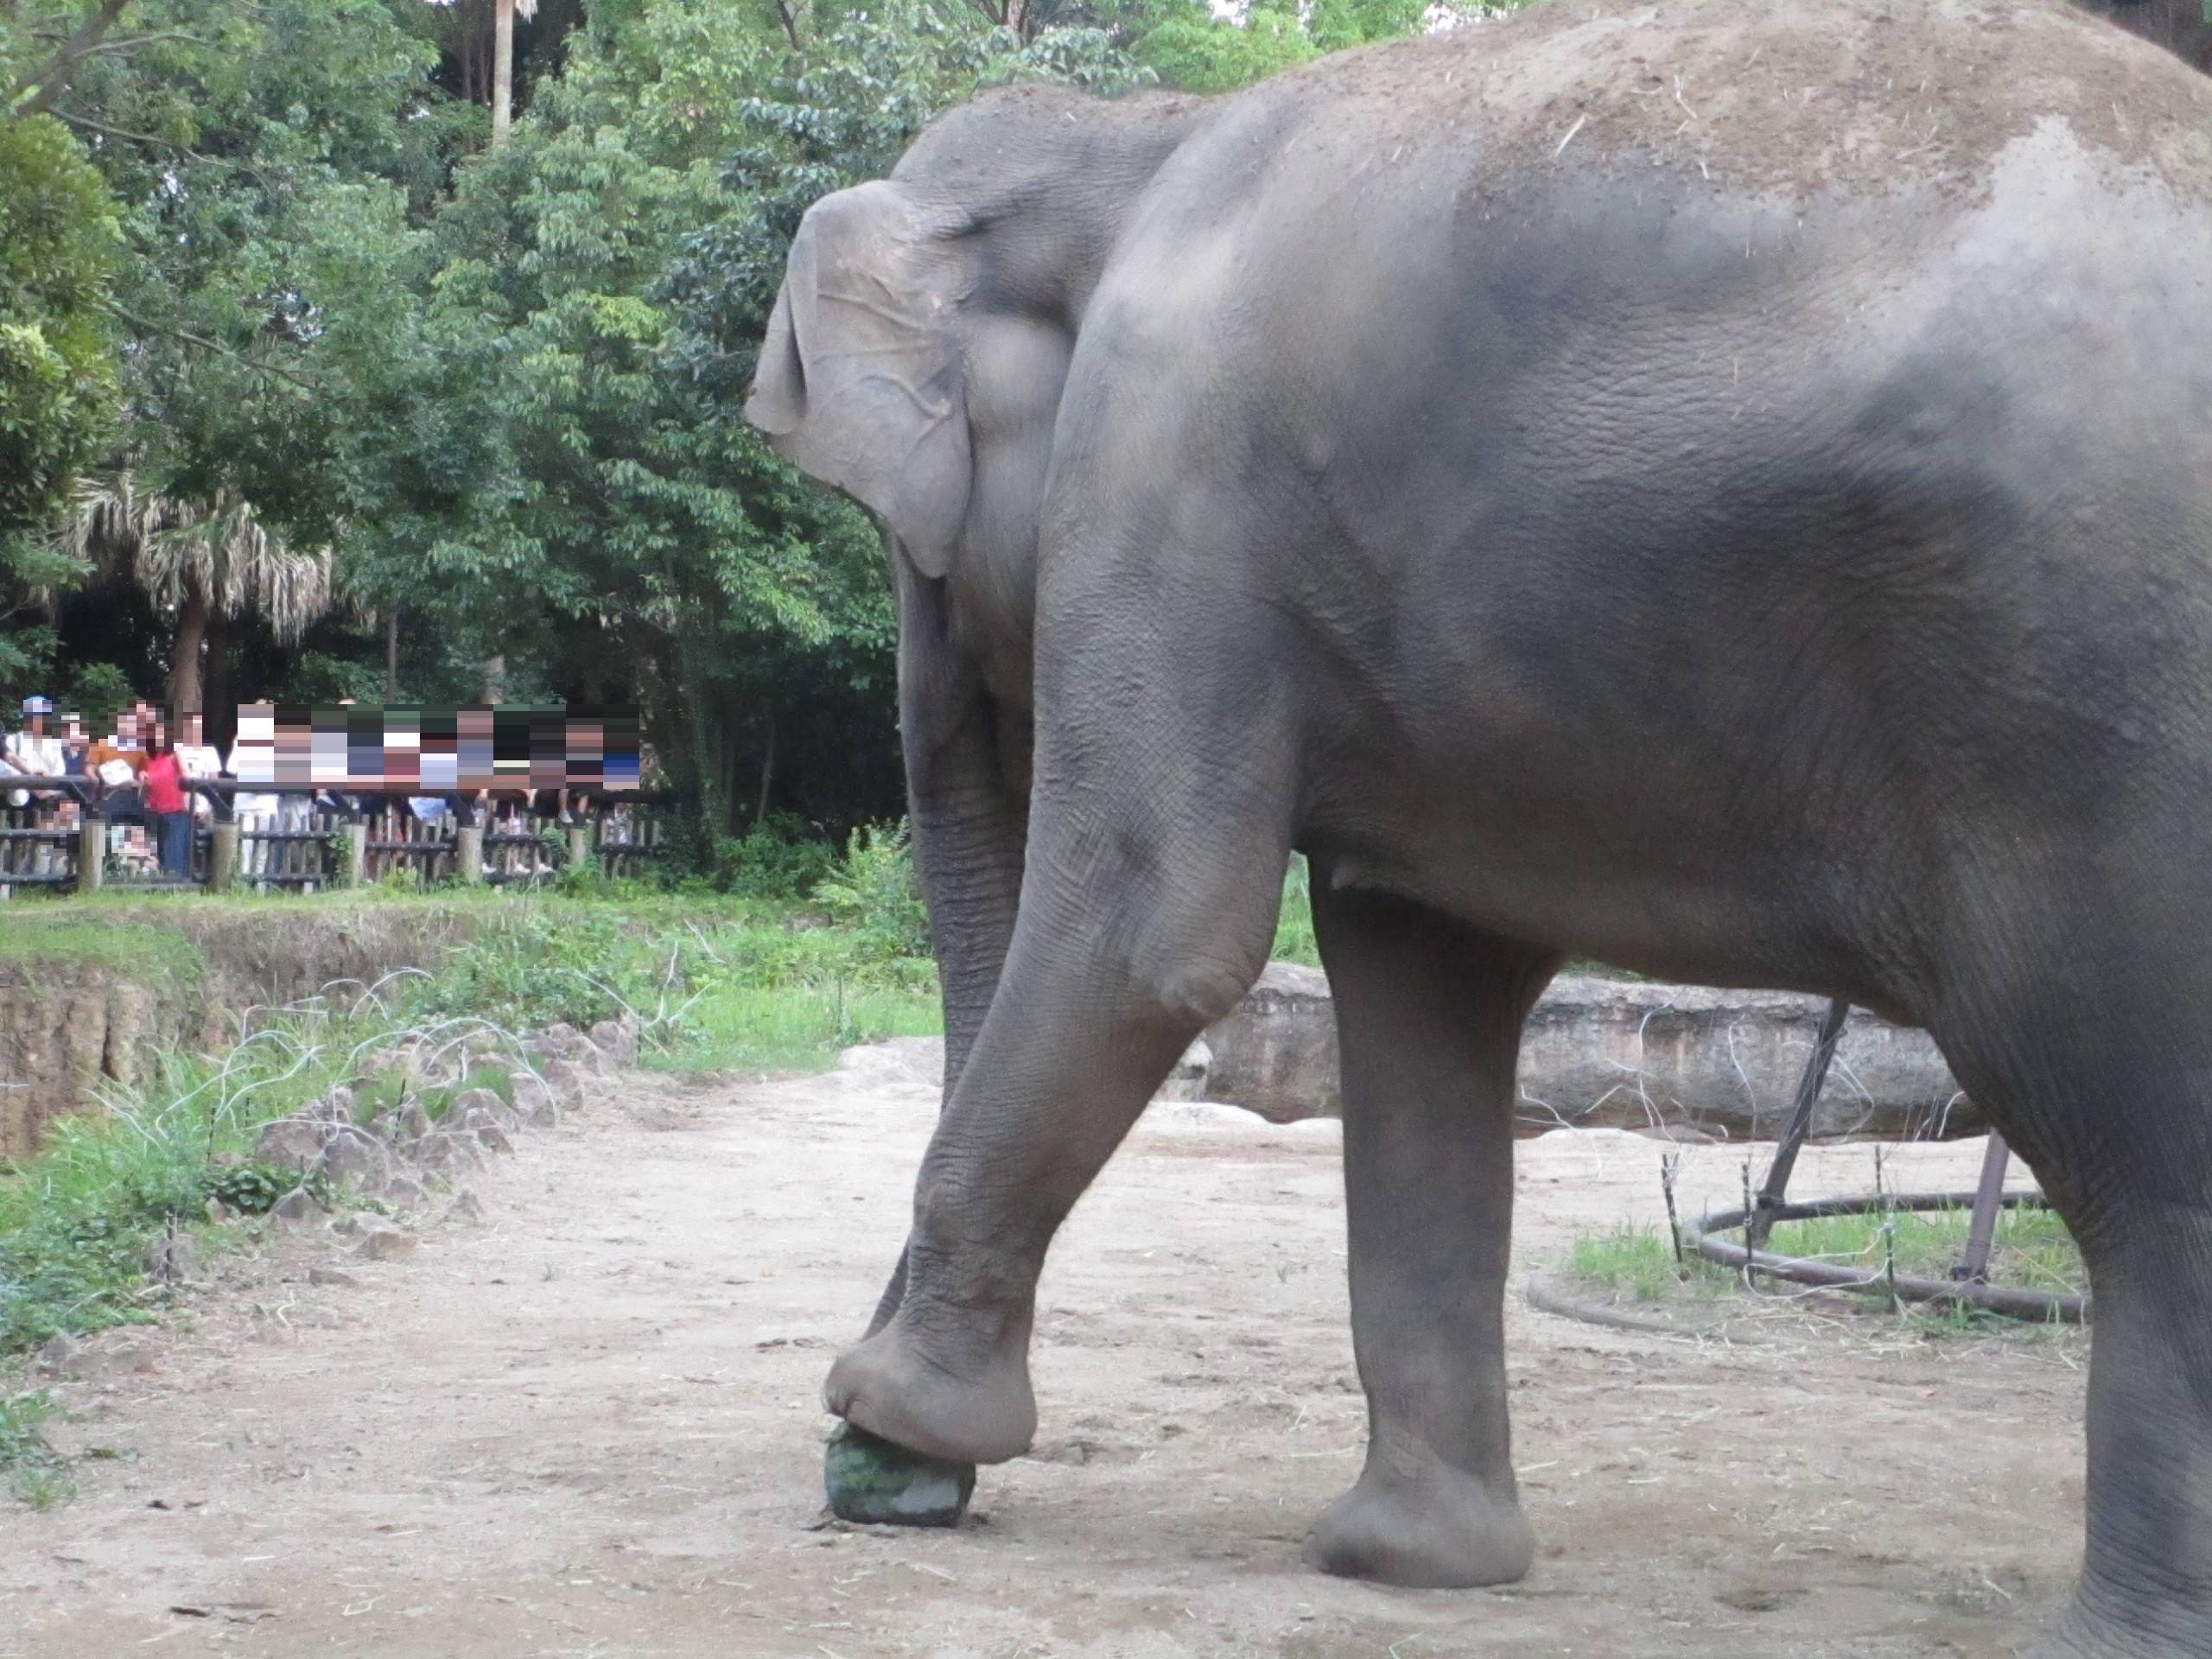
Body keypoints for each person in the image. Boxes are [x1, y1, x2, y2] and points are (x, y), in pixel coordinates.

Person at [141, 729, 191, 876]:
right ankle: (165, 881)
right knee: (162, 849)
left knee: (175, 848)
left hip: (176, 808)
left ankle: (176, 881)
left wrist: (191, 803)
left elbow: (187, 776)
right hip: (157, 810)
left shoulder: (175, 755)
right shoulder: (150, 760)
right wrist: (144, 778)